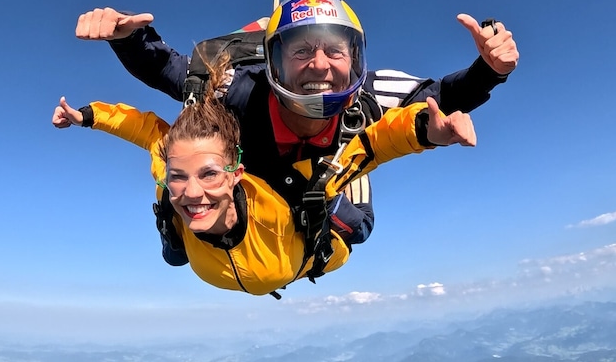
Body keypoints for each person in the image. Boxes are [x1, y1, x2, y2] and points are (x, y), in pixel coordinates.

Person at [74, 0, 518, 258]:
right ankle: (171, 223)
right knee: (181, 246)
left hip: (321, 176)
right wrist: (128, 37)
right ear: (274, 63)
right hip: (258, 172)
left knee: (356, 227)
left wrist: (489, 70)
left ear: (356, 59)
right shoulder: (236, 92)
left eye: (335, 51)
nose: (319, 65)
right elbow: (172, 71)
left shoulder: (369, 98)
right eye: (301, 51)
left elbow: (441, 97)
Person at [52, 49, 477, 297]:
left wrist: (425, 129)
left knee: (358, 226)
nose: (191, 192)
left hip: (307, 251)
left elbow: (375, 145)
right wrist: (87, 115)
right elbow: (141, 126)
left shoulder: (286, 194)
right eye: (179, 176)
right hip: (232, 261)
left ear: (237, 173)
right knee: (175, 254)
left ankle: (344, 179)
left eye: (209, 174)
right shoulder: (169, 163)